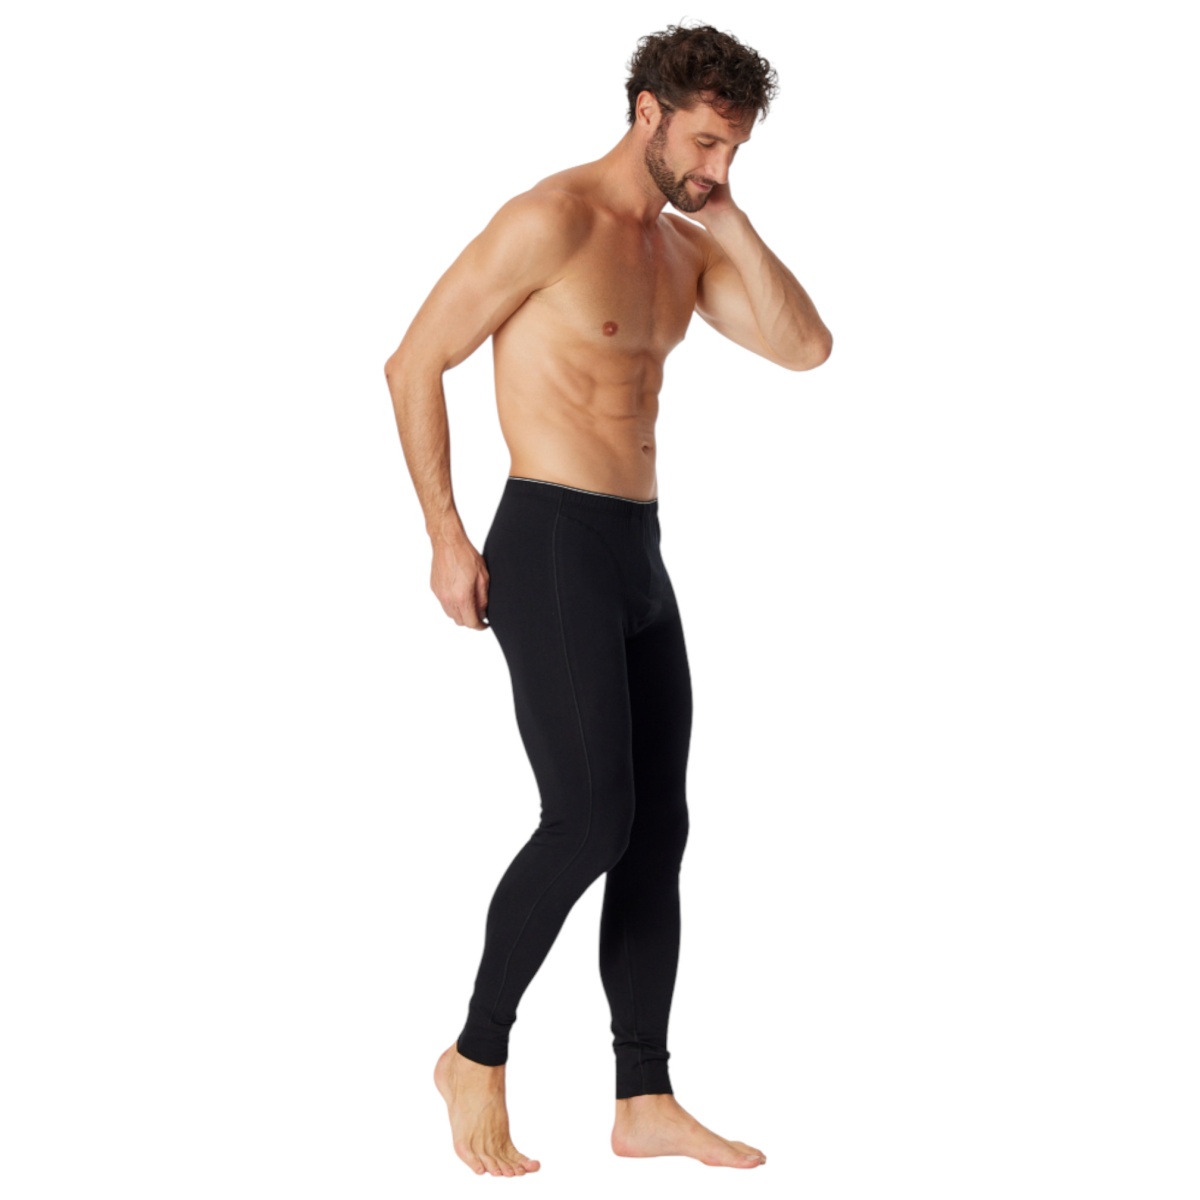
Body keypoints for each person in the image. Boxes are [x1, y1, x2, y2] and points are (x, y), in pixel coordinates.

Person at [383, 22, 832, 1177]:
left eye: (734, 149)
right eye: (705, 143)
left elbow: (806, 349)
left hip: (638, 553)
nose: (717, 166)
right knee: (588, 819)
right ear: (647, 112)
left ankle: (644, 1098)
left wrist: (728, 215)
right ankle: (475, 1054)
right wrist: (444, 533)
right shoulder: (550, 220)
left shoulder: (682, 248)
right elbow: (413, 359)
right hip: (548, 543)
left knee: (656, 830)